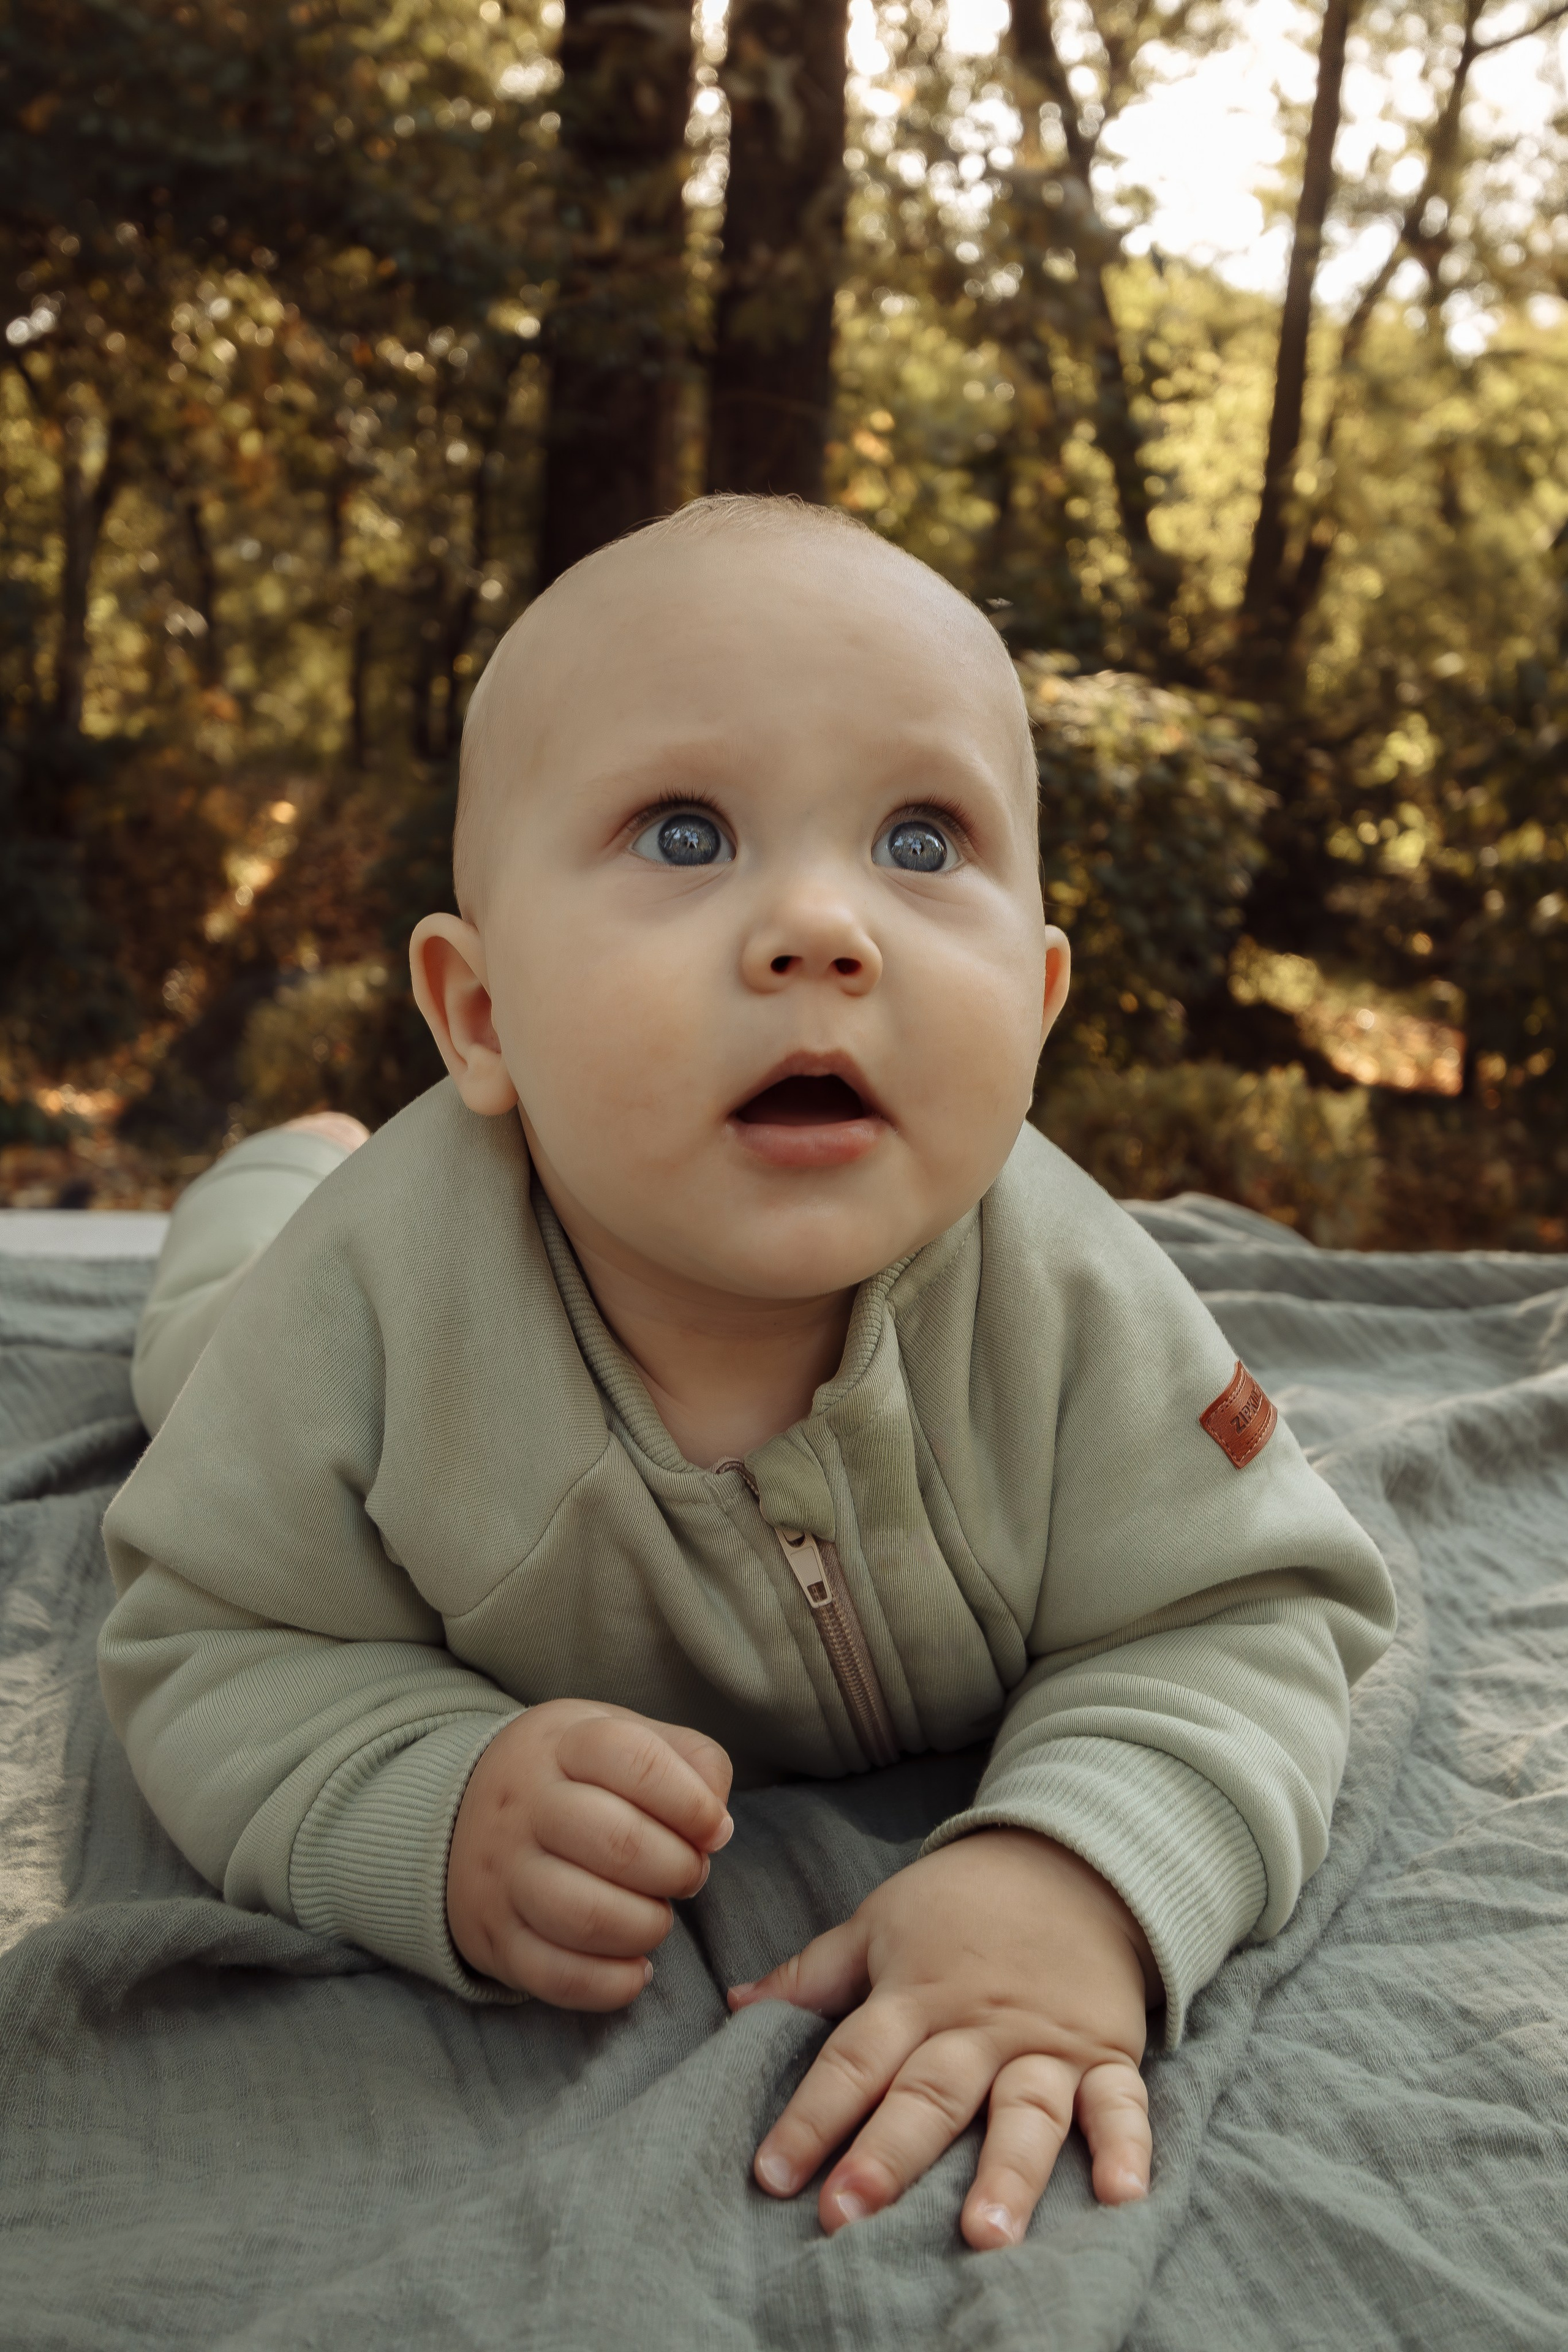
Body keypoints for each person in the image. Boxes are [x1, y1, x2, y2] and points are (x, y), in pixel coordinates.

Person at [99, 496, 1395, 2253]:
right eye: (688, 831)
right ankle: (280, 1170)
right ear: (480, 1018)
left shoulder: (1071, 1291)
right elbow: (212, 1635)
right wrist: (427, 1798)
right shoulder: (366, 1320)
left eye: (922, 844)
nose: (819, 929)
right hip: (301, 1295)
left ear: (1037, 997)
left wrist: (1081, 1872)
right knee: (201, 1338)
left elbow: (1247, 1612)